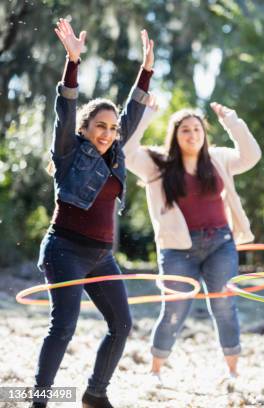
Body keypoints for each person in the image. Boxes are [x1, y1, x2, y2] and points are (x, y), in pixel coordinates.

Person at [33, 19, 153, 408]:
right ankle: (39, 399)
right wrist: (72, 62)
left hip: (101, 256)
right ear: (85, 129)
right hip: (65, 250)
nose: (107, 133)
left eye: (112, 128)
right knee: (63, 327)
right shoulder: (68, 151)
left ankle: (94, 393)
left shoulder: (116, 152)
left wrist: (147, 70)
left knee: (121, 325)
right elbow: (64, 109)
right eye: (99, 126)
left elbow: (133, 113)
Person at [123, 95, 261, 384]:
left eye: (197, 129)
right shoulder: (156, 163)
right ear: (175, 134)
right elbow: (125, 151)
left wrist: (232, 123)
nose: (192, 134)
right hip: (176, 250)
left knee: (224, 306)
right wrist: (145, 116)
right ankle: (156, 370)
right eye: (185, 129)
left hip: (220, 244)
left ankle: (233, 371)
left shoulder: (219, 159)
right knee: (174, 308)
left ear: (204, 134)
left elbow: (251, 156)